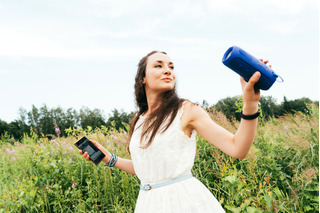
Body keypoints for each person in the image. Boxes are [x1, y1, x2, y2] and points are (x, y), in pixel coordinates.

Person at [79, 50, 270, 212]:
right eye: (159, 66)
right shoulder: (139, 120)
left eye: (171, 67)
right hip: (148, 203)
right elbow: (147, 170)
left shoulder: (187, 111)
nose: (168, 71)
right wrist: (109, 158)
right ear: (142, 78)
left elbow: (238, 149)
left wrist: (250, 104)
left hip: (183, 202)